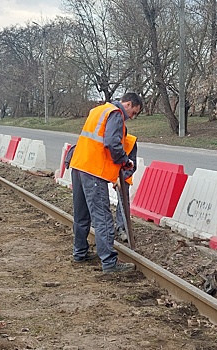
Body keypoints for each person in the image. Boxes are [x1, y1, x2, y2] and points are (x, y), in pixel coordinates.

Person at [69, 92, 142, 274]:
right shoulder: (115, 114)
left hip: (79, 165)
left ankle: (80, 252)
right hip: (94, 171)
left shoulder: (98, 110)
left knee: (81, 214)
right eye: (133, 112)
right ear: (127, 104)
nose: (132, 117)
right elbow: (112, 143)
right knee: (102, 217)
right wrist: (125, 161)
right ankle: (109, 263)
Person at [115, 134, 138, 242]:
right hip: (102, 170)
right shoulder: (106, 137)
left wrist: (121, 178)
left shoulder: (131, 141)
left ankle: (122, 228)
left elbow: (133, 164)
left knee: (124, 200)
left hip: (122, 174)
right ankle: (98, 226)